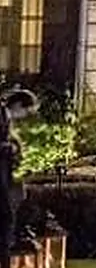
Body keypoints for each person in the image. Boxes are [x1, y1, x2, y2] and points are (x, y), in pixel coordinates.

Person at [0, 89, 37, 256]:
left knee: (12, 208)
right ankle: (4, 254)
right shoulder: (1, 114)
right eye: (26, 112)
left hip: (6, 172)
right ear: (18, 105)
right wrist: (10, 148)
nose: (24, 117)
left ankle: (7, 250)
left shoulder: (7, 117)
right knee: (6, 214)